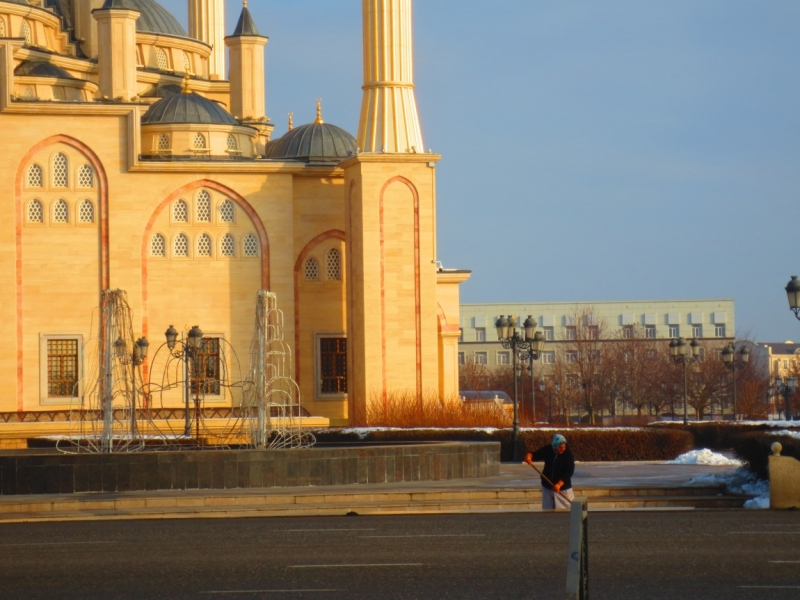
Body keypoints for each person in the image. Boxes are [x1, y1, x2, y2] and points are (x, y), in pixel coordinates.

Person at [525, 433, 575, 510]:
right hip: (548, 487)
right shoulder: (548, 449)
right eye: (560, 447)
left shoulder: (568, 455)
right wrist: (529, 456)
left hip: (562, 489)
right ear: (555, 445)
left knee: (567, 511)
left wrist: (559, 484)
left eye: (564, 447)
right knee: (548, 511)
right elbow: (535, 454)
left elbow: (569, 471)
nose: (562, 449)